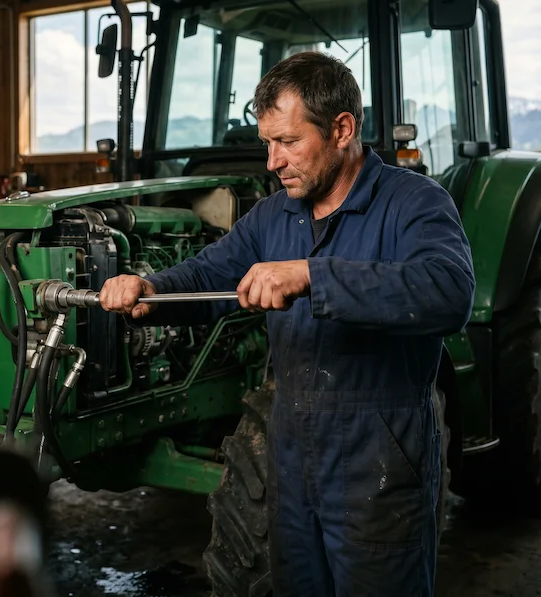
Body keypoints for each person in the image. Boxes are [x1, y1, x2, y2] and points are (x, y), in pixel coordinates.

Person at [99, 51, 475, 595]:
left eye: (289, 141)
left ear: (342, 129)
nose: (273, 161)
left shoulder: (413, 202)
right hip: (292, 457)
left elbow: (448, 291)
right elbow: (213, 272)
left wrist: (313, 277)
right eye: (267, 143)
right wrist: (152, 289)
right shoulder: (275, 214)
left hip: (380, 460)